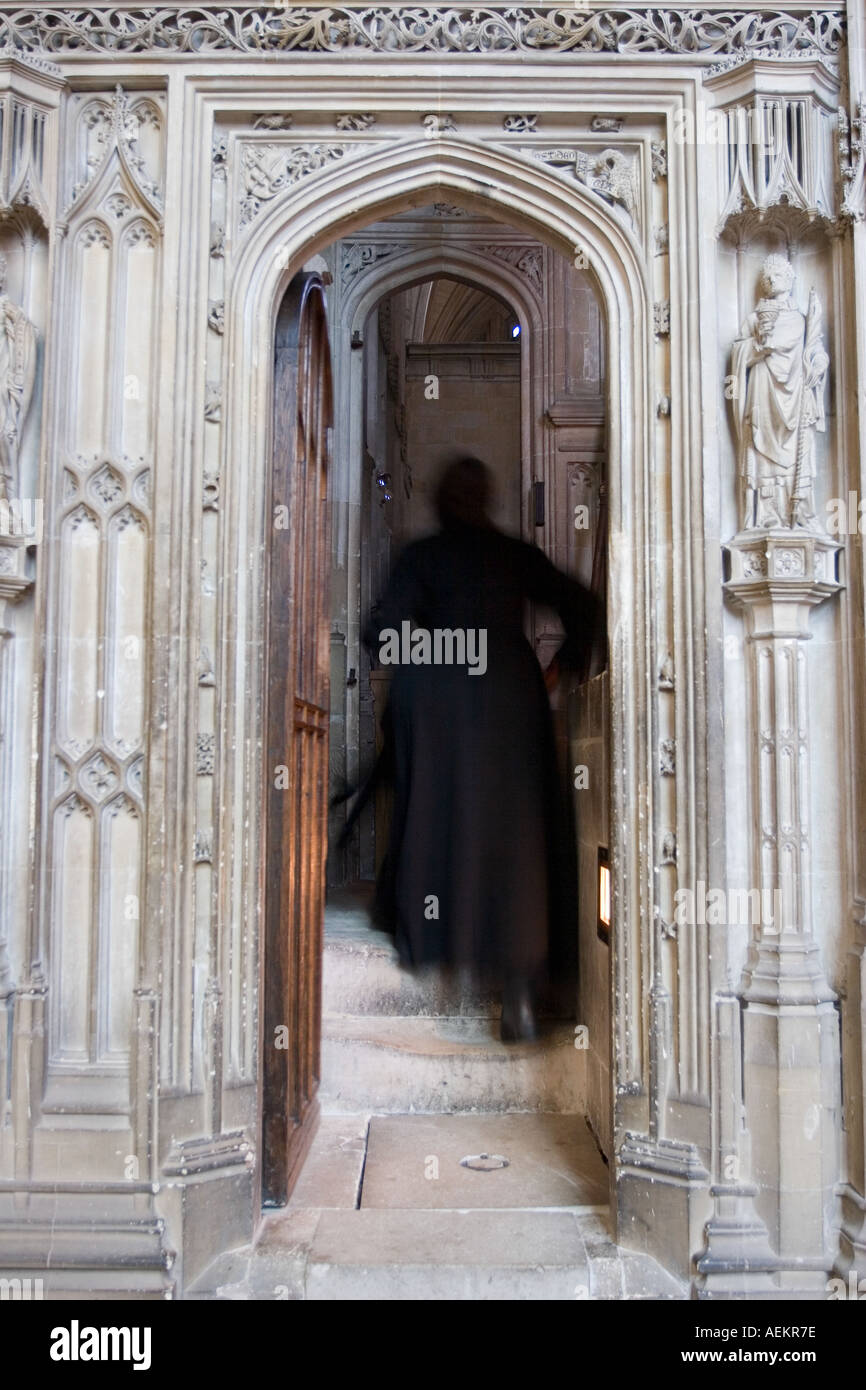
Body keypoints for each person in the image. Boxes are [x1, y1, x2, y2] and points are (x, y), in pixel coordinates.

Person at [361, 456, 604, 1042]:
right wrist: (555, 669)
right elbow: (586, 607)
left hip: (440, 705)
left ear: (442, 502)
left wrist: (425, 664)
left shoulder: (422, 558)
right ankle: (519, 995)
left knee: (437, 823)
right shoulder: (515, 556)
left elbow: (381, 632)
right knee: (516, 842)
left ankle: (435, 941)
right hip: (507, 704)